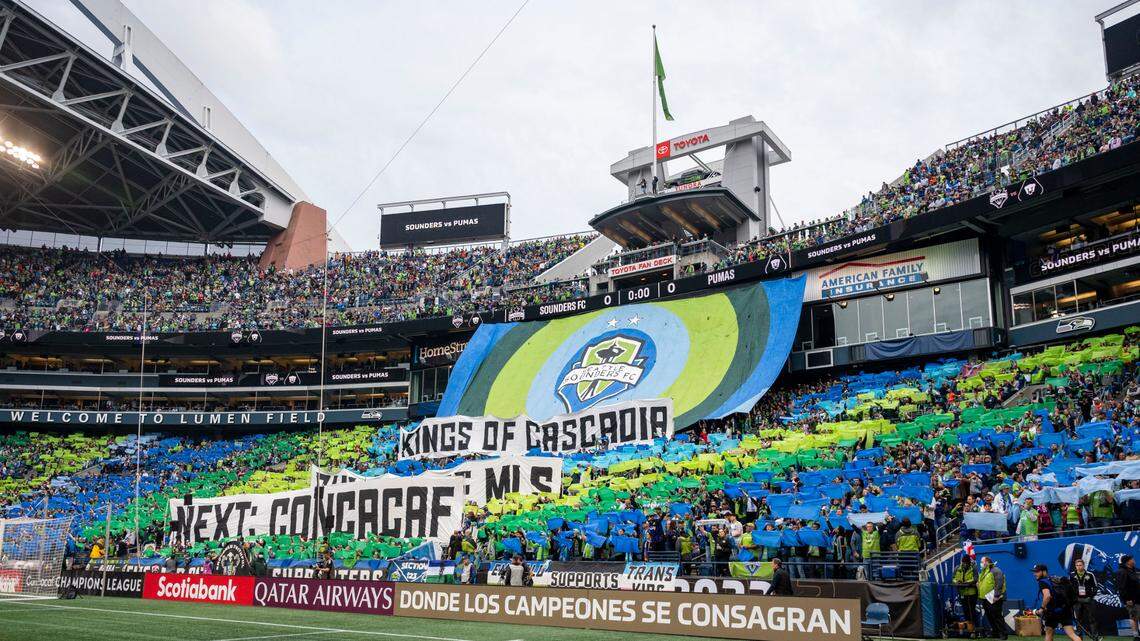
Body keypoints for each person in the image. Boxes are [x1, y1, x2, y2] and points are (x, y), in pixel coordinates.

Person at [1034, 563, 1082, 641]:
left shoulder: (1042, 582)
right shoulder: (1053, 579)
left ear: (1044, 572)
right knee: (1072, 634)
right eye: (1035, 572)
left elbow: (1047, 596)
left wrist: (1042, 608)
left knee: (1049, 634)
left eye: (1037, 572)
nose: (1035, 574)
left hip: (1052, 612)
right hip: (1065, 610)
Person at [977, 556, 1008, 640]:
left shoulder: (996, 570)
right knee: (990, 616)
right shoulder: (983, 572)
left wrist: (996, 596)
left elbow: (999, 583)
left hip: (994, 598)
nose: (980, 563)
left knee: (997, 616)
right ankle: (995, 633)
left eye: (982, 561)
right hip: (985, 598)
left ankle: (1003, 634)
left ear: (987, 562)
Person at [1070, 558, 1099, 639]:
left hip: (1088, 600)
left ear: (1083, 565)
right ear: (1075, 566)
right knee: (1078, 620)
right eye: (1077, 565)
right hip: (1077, 600)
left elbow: (1095, 587)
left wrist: (1091, 597)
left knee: (1092, 618)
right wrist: (1074, 598)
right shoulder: (1072, 575)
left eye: (1080, 565)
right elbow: (1070, 587)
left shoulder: (1090, 574)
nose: (1079, 567)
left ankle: (1095, 637)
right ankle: (1079, 637)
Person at [1116, 554, 1140, 641]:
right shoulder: (1122, 572)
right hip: (1131, 600)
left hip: (1138, 598)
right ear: (1128, 562)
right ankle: (1136, 636)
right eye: (1132, 559)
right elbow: (1121, 587)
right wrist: (1127, 599)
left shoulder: (1133, 570)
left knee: (1137, 616)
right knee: (1134, 617)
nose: (1134, 560)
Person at [953, 555, 979, 632]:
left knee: (972, 610)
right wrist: (957, 582)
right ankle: (969, 628)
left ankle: (974, 628)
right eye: (964, 562)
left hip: (972, 593)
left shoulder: (973, 568)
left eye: (966, 563)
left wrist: (965, 583)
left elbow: (975, 578)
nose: (965, 564)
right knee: (965, 610)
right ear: (962, 562)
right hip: (962, 593)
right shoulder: (957, 568)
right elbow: (953, 578)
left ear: (969, 562)